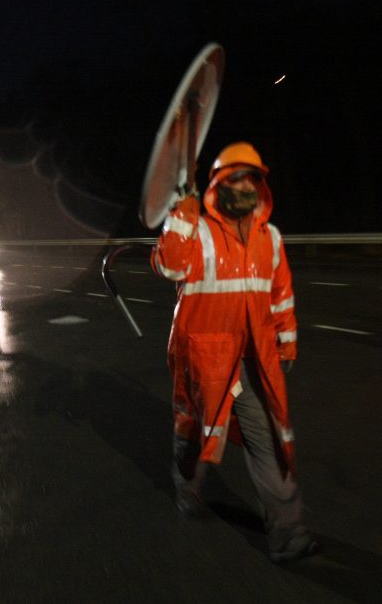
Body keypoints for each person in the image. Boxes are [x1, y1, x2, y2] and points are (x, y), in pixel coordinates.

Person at [150, 142, 319, 563]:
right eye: (233, 178)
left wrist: (287, 340)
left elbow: (280, 295)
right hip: (203, 359)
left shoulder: (271, 238)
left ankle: (287, 533)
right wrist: (183, 212)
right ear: (218, 185)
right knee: (194, 431)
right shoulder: (198, 230)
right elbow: (167, 266)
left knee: (268, 440)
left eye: (250, 179)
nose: (242, 186)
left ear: (260, 185)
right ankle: (186, 486)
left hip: (252, 360)